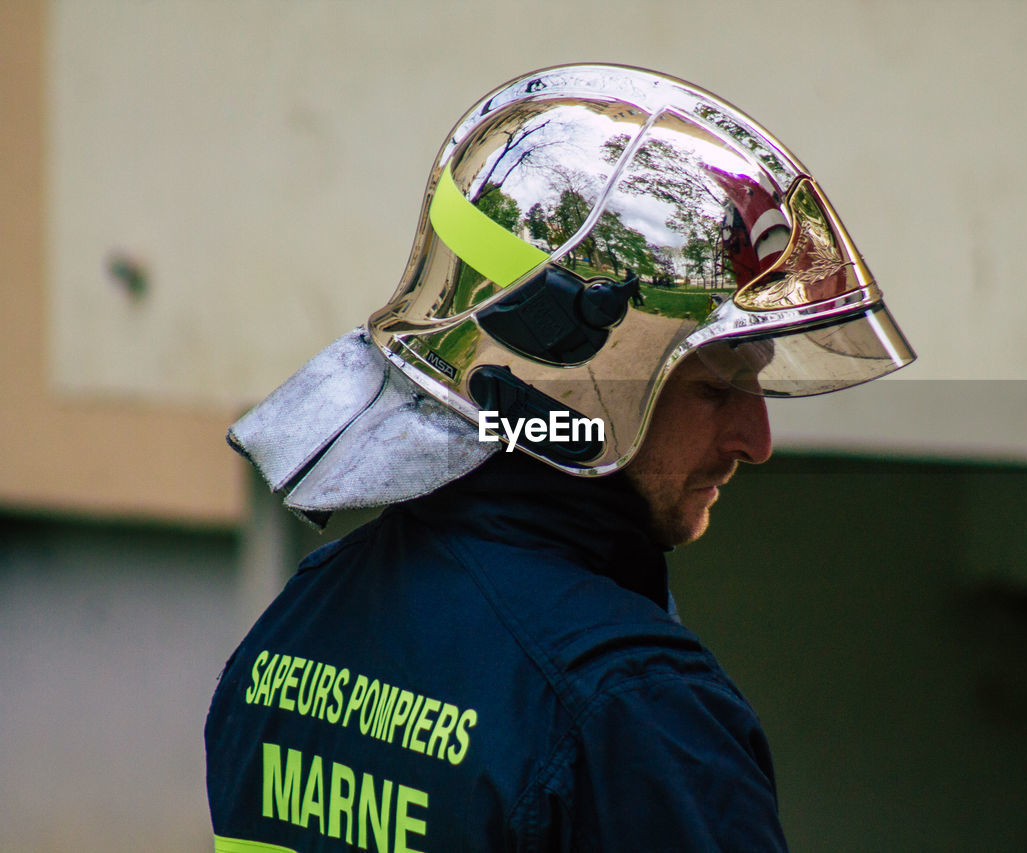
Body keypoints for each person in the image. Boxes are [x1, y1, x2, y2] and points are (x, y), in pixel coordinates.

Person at [205, 64, 914, 852]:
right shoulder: (635, 714)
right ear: (573, 386)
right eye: (717, 392)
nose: (757, 439)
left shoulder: (296, 629)